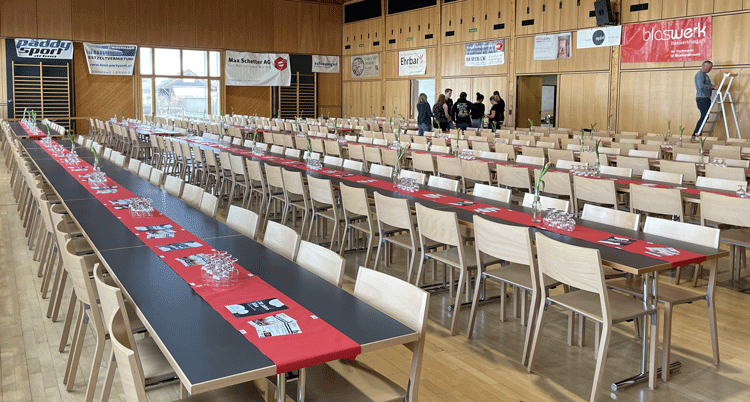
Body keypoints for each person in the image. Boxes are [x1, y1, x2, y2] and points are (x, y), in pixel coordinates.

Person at [693, 60, 718, 139]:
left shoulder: (705, 75)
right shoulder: (700, 74)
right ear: (704, 66)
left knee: (705, 116)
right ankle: (695, 134)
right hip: (702, 98)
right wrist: (712, 87)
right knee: (704, 116)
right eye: (709, 68)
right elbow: (701, 86)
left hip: (706, 98)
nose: (710, 70)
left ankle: (697, 133)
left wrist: (713, 87)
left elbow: (707, 85)